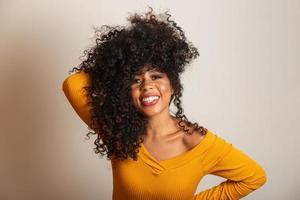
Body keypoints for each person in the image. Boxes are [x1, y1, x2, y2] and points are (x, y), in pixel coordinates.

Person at [62, 7, 267, 200]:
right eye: (135, 80)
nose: (147, 85)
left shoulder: (196, 142)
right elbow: (72, 84)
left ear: (173, 86)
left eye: (156, 76)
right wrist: (114, 68)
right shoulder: (117, 130)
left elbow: (253, 177)